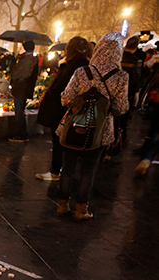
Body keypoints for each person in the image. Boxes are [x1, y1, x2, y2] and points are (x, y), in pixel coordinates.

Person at [56, 32, 129, 220]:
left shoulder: (83, 71)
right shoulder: (121, 76)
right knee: (88, 170)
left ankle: (62, 205)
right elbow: (121, 108)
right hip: (100, 131)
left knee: (68, 167)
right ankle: (81, 209)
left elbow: (66, 98)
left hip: (74, 126)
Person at [35, 37, 91, 181]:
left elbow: (61, 89)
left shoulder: (73, 67)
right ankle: (64, 171)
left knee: (59, 141)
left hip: (62, 110)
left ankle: (56, 171)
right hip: (75, 111)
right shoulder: (87, 65)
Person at [9, 40, 39, 142]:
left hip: (21, 88)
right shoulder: (29, 58)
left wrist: (14, 73)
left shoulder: (27, 59)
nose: (20, 49)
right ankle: (21, 132)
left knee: (19, 112)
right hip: (23, 88)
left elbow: (18, 74)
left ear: (25, 48)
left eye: (21, 48)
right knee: (20, 111)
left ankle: (21, 134)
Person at [120, 36, 143, 144]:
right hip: (127, 92)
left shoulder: (119, 58)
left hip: (114, 90)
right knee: (123, 117)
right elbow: (136, 78)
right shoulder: (135, 61)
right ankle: (121, 138)